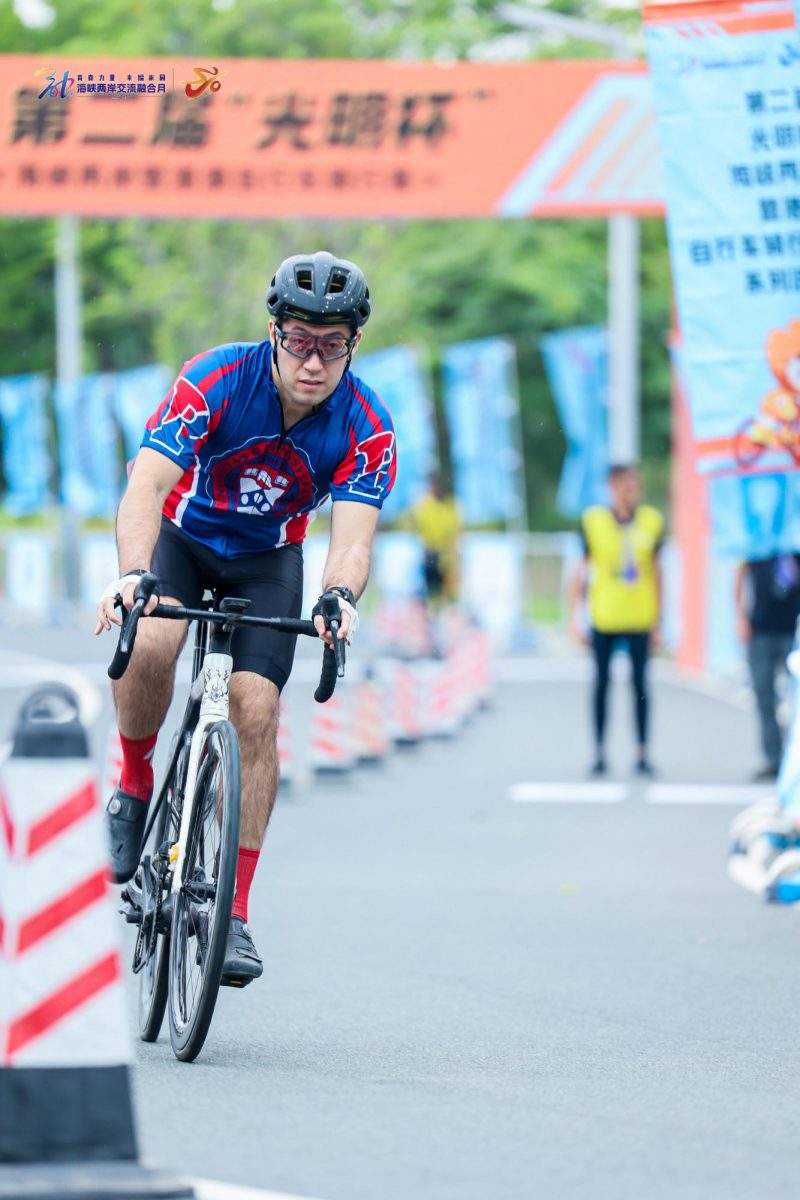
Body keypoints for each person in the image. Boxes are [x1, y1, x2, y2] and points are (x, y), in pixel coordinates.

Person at [95, 251, 396, 986]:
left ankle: (233, 912)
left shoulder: (368, 425)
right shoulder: (216, 381)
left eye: (332, 344)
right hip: (183, 538)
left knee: (257, 710)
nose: (314, 359)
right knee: (154, 640)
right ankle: (135, 782)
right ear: (274, 332)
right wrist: (134, 575)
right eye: (300, 338)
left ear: (352, 345)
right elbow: (145, 488)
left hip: (269, 560)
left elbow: (351, 541)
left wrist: (339, 600)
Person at [568, 464, 665, 777]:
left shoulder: (650, 521)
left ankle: (642, 751)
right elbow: (580, 571)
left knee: (640, 685)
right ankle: (598, 751)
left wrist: (658, 621)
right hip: (604, 616)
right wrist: (575, 616)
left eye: (634, 484)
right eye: (623, 484)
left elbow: (658, 572)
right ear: (611, 486)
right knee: (601, 684)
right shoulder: (593, 521)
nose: (629, 490)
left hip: (639, 617)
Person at [735, 553, 800, 780]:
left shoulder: (794, 540)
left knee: (796, 698)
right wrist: (741, 617)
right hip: (761, 628)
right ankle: (774, 759)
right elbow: (741, 575)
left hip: (793, 629)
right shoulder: (758, 543)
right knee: (764, 695)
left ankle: (795, 759)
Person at [409, 476, 462, 610]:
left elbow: (455, 530)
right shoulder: (427, 505)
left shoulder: (449, 505)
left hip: (445, 554)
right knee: (431, 585)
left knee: (447, 587)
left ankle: (446, 610)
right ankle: (434, 610)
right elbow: (418, 524)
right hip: (431, 551)